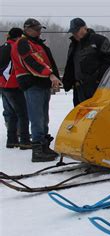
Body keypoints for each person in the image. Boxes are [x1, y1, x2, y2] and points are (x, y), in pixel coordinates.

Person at [11, 18, 61, 162]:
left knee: (44, 117)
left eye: (40, 29)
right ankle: (38, 150)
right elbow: (31, 61)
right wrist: (50, 75)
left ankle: (44, 146)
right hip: (33, 84)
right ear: (27, 30)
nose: (39, 31)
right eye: (36, 29)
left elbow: (46, 61)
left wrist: (54, 77)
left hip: (42, 84)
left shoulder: (36, 43)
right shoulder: (23, 43)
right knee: (37, 118)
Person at [62, 18, 110, 106]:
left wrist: (99, 78)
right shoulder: (73, 45)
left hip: (98, 87)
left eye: (77, 30)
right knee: (81, 117)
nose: (75, 34)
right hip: (79, 88)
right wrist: (68, 81)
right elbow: (71, 65)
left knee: (99, 115)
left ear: (85, 28)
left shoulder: (99, 40)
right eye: (73, 32)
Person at [0, 27, 31, 149]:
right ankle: (24, 140)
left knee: (11, 114)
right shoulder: (15, 47)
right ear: (18, 37)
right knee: (23, 113)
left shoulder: (3, 46)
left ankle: (11, 140)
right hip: (13, 84)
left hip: (3, 85)